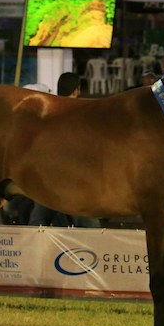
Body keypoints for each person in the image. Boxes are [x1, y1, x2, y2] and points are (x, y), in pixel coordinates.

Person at [28, 72, 101, 228]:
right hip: (73, 181)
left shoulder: (47, 111)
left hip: (48, 180)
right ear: (76, 90)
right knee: (90, 229)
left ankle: (32, 244)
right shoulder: (82, 113)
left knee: (38, 222)